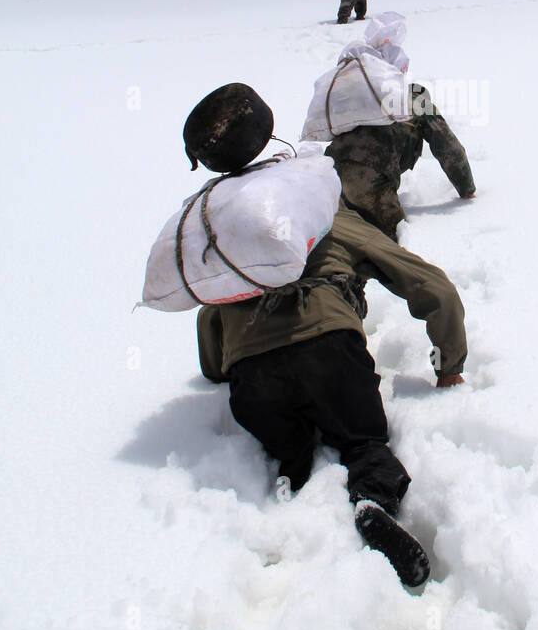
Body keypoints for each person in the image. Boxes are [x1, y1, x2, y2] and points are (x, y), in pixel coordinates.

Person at [186, 85, 466, 588]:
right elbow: (432, 287)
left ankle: (294, 488)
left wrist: (218, 369)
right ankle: (371, 503)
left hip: (254, 377)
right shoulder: (326, 210)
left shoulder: (227, 232)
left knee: (288, 443)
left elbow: (211, 325)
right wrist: (450, 364)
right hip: (331, 350)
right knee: (361, 442)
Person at [325, 83, 476, 242]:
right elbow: (449, 148)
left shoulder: (373, 102)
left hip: (331, 176)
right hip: (369, 176)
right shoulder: (421, 105)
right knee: (393, 246)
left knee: (342, 239)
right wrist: (467, 189)